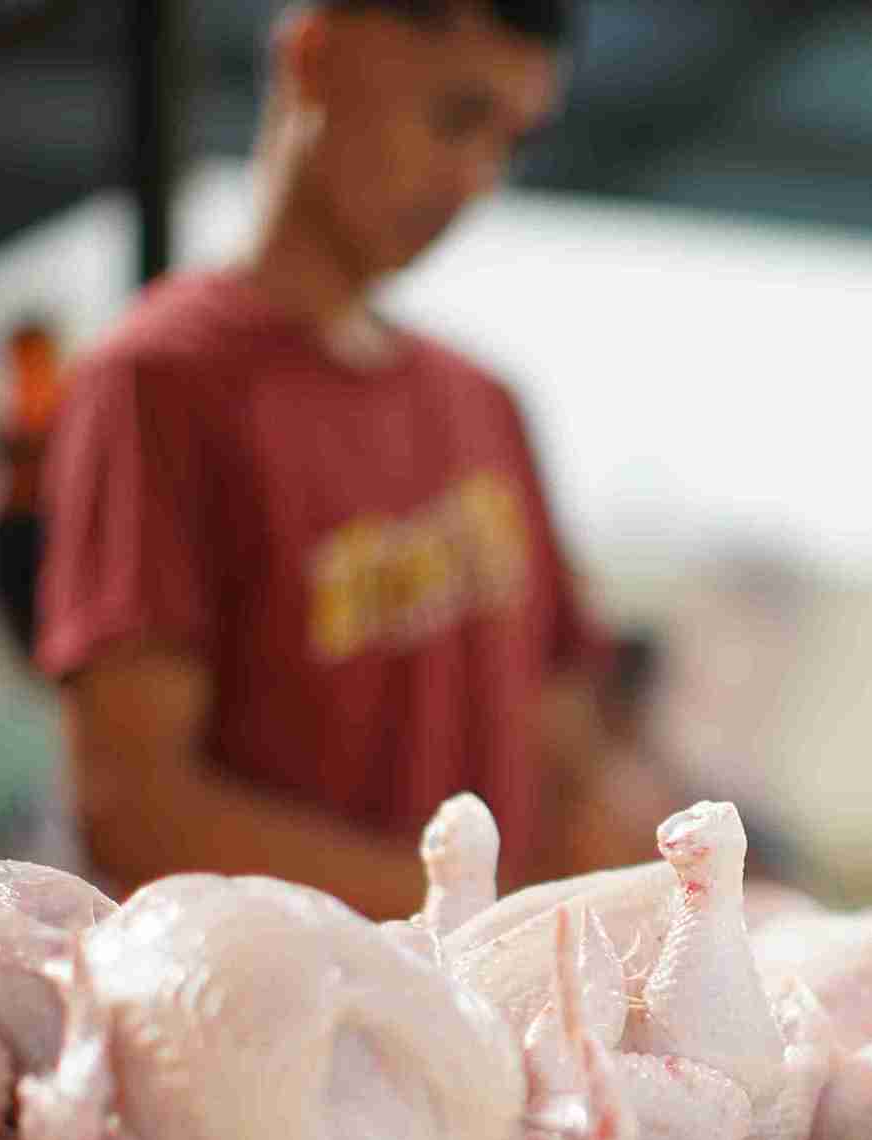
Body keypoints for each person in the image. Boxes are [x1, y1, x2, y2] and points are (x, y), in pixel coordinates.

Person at [35, 0, 661, 916]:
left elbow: (569, 747)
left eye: (509, 142)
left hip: (497, 1026)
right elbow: (134, 805)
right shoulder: (160, 382)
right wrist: (471, 919)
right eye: (455, 116)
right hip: (282, 1031)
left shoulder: (487, 410)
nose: (476, 180)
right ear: (315, 56)